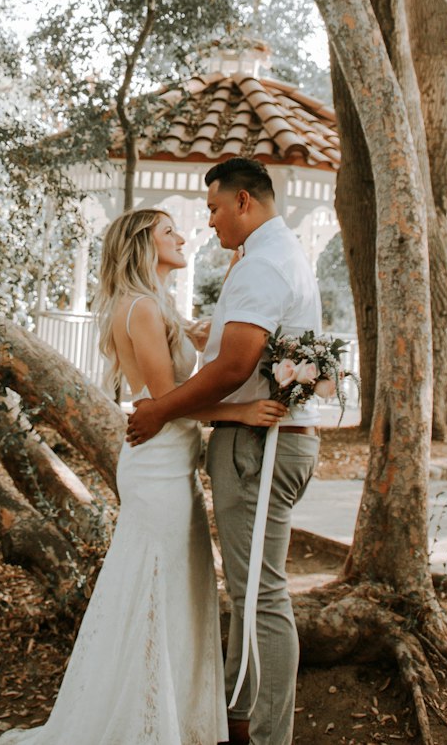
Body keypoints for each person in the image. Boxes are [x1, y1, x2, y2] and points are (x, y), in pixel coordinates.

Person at [0, 206, 285, 745]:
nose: (183, 236)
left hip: (169, 463)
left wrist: (199, 329)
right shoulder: (142, 308)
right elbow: (166, 402)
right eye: (169, 232)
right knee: (156, 584)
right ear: (144, 244)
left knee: (173, 584)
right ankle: (147, 722)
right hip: (159, 465)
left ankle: (165, 714)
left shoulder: (153, 306)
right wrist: (238, 414)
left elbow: (166, 383)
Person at [127, 160, 324, 745]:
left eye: (213, 209)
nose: (208, 223)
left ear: (243, 202)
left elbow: (236, 366)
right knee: (249, 594)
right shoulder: (278, 255)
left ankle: (266, 737)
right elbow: (247, 348)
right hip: (262, 441)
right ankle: (237, 723)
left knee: (260, 597)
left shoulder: (263, 263)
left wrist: (162, 409)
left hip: (259, 446)